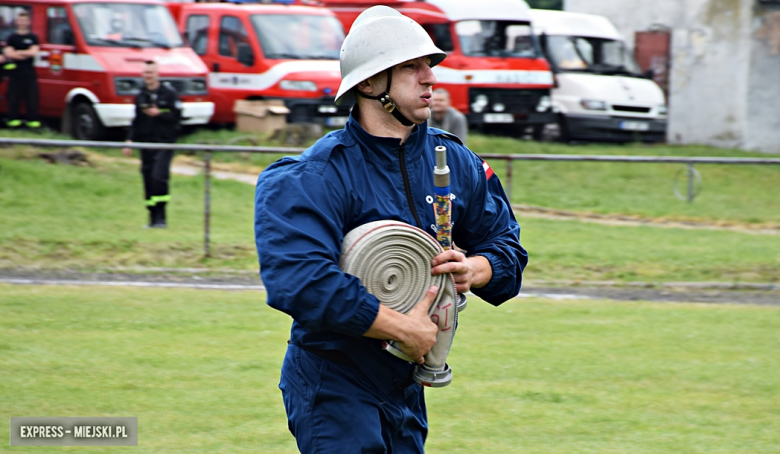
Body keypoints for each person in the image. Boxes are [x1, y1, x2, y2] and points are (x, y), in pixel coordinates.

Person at [254, 6, 527, 453]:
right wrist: (399, 327)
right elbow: (300, 283)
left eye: (430, 65)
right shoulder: (313, 176)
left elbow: (508, 250)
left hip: (407, 385)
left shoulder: (458, 162)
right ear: (368, 83)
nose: (429, 78)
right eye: (411, 67)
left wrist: (475, 268)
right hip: (334, 380)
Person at [122, 61, 182, 228]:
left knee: (159, 177)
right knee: (147, 178)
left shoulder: (169, 94)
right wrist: (129, 140)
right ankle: (152, 217)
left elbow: (176, 117)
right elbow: (136, 120)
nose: (147, 76)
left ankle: (162, 217)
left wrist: (159, 114)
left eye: (150, 72)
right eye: (145, 73)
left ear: (157, 74)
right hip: (145, 142)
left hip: (164, 142)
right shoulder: (140, 95)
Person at [4, 11, 40, 129]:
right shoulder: (12, 38)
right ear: (17, 22)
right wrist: (24, 53)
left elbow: (33, 52)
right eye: (20, 20)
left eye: (25, 20)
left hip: (29, 71)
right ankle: (13, 122)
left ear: (28, 22)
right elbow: (9, 54)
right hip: (15, 71)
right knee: (13, 97)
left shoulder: (33, 37)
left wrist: (18, 52)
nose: (22, 22)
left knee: (31, 97)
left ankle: (32, 123)